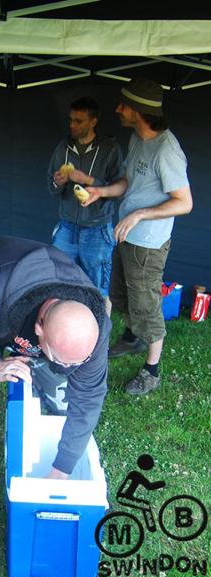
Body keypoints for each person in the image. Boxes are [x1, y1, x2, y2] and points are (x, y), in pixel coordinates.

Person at [0, 236, 111, 518]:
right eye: (64, 360)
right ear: (39, 330)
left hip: (31, 307)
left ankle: (59, 457)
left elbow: (88, 397)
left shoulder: (93, 325)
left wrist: (61, 471)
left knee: (63, 393)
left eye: (80, 361)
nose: (72, 367)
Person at [81, 78, 193, 395]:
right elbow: (129, 182)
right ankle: (132, 339)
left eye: (124, 105)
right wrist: (100, 192)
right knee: (120, 294)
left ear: (140, 111)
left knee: (146, 305)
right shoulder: (138, 139)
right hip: (127, 235)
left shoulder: (167, 151)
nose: (118, 109)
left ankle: (151, 370)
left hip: (148, 243)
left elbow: (184, 202)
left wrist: (139, 214)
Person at [47, 97, 124, 315]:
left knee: (98, 288)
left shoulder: (109, 149)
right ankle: (63, 328)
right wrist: (58, 182)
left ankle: (100, 332)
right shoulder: (63, 148)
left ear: (93, 122)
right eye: (71, 120)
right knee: (59, 282)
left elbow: (120, 187)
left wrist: (88, 180)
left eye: (78, 121)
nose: (72, 125)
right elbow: (51, 188)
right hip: (67, 227)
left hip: (97, 229)